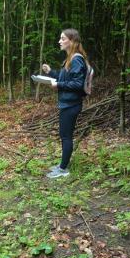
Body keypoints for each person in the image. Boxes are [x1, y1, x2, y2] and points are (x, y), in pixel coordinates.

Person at [42, 28, 88, 178]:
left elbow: (77, 84)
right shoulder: (70, 59)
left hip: (71, 104)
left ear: (72, 41)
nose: (59, 41)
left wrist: (58, 85)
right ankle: (63, 163)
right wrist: (50, 73)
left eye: (62, 38)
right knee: (64, 135)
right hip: (67, 103)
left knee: (66, 136)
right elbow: (65, 78)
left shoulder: (76, 59)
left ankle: (63, 169)